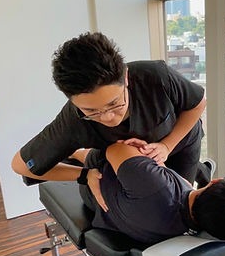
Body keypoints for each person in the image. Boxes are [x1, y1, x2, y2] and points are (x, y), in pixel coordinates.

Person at [11, 31, 212, 211]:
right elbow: (21, 166)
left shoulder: (156, 77)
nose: (107, 117)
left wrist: (167, 146)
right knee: (162, 204)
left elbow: (198, 103)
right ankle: (80, 154)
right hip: (124, 158)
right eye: (91, 111)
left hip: (179, 142)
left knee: (182, 201)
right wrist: (83, 175)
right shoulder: (73, 121)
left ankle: (200, 169)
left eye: (115, 104)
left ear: (126, 78)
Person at [79, 142, 225, 244]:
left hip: (95, 184)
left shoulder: (156, 186)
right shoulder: (195, 225)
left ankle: (76, 154)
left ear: (215, 181)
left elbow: (114, 149)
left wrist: (145, 153)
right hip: (123, 214)